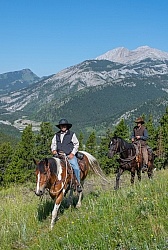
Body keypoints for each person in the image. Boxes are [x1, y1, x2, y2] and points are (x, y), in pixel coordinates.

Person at [51, 118, 82, 192]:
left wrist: (72, 153)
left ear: (67, 126)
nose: (63, 127)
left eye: (64, 125)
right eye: (61, 126)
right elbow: (53, 144)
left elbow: (76, 144)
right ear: (60, 127)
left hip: (68, 155)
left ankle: (78, 184)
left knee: (76, 168)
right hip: (58, 156)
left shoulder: (72, 134)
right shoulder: (56, 135)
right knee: (51, 167)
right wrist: (54, 150)